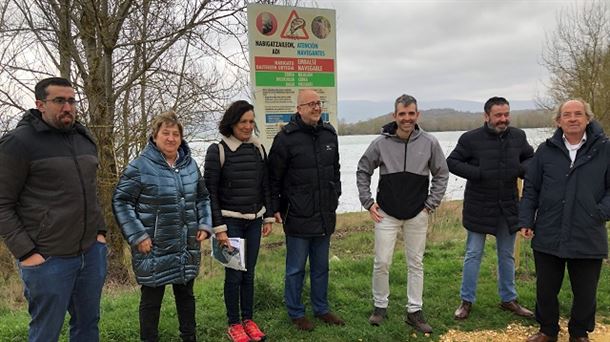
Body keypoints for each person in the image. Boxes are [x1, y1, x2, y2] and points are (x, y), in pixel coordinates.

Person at [0, 77, 108, 341]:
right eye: (59, 101)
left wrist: (100, 233)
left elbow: (91, 191)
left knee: (87, 325)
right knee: (46, 332)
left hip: (90, 253)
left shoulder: (84, 138)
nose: (68, 107)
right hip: (48, 258)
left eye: (71, 100)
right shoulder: (18, 143)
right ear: (40, 104)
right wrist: (27, 253)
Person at [112, 112, 212, 342]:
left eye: (175, 134)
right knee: (151, 301)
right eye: (165, 133)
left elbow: (202, 198)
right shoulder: (139, 167)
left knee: (186, 296)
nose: (170, 138)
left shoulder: (190, 165)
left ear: (181, 138)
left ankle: (189, 337)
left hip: (186, 245)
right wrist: (138, 235)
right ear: (154, 136)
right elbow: (121, 201)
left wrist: (205, 224)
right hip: (153, 247)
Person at [357, 94, 449, 333]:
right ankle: (380, 306)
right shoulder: (381, 143)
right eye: (402, 114)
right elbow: (363, 169)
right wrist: (368, 202)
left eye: (411, 114)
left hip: (418, 212)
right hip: (386, 212)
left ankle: (414, 310)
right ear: (395, 116)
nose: (406, 118)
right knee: (382, 262)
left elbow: (441, 173)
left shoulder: (429, 142)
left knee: (415, 263)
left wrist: (431, 203)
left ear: (417, 115)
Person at [520, 99, 610, 342]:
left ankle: (579, 333)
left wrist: (599, 212)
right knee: (546, 289)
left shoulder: (605, 148)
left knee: (585, 292)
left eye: (578, 114)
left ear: (587, 118)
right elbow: (531, 188)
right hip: (549, 229)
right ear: (558, 121)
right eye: (567, 115)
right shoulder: (545, 150)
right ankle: (547, 330)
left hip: (588, 230)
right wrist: (526, 219)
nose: (572, 119)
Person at [446, 96, 534, 320]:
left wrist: (520, 169)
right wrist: (478, 173)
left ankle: (509, 299)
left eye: (506, 114)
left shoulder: (518, 136)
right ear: (486, 116)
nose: (503, 119)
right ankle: (466, 301)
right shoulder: (470, 139)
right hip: (479, 204)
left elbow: (530, 159)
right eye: (498, 115)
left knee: (506, 255)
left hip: (508, 205)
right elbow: (452, 162)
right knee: (473, 254)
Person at [268, 89, 343, 331]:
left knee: (321, 266)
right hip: (297, 215)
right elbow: (273, 178)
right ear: (298, 109)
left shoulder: (330, 134)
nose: (316, 107)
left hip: (324, 213)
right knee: (296, 268)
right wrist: (275, 208)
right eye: (310, 104)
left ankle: (321, 309)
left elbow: (336, 170)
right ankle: (296, 311)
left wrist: (335, 195)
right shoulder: (285, 139)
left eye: (318, 103)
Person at [204, 100, 274, 342]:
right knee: (234, 275)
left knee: (249, 274)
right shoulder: (218, 151)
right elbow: (209, 192)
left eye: (251, 121)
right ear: (232, 123)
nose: (247, 126)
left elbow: (265, 185)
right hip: (229, 224)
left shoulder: (258, 149)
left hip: (254, 222)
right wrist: (219, 229)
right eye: (243, 121)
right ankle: (234, 324)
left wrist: (268, 217)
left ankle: (248, 320)